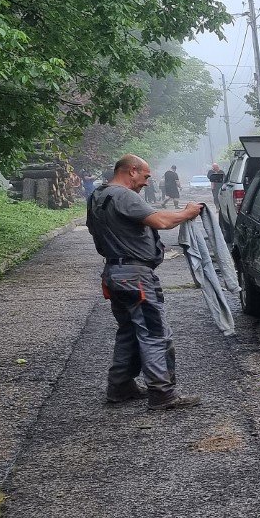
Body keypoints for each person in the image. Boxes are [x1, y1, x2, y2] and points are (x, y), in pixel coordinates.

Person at [86, 154, 205, 410]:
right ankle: (162, 393)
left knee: (128, 331)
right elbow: (161, 221)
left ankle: (120, 386)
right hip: (135, 276)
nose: (147, 183)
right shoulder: (123, 196)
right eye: (145, 176)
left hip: (114, 273)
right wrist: (188, 212)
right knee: (154, 333)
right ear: (131, 171)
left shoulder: (97, 196)